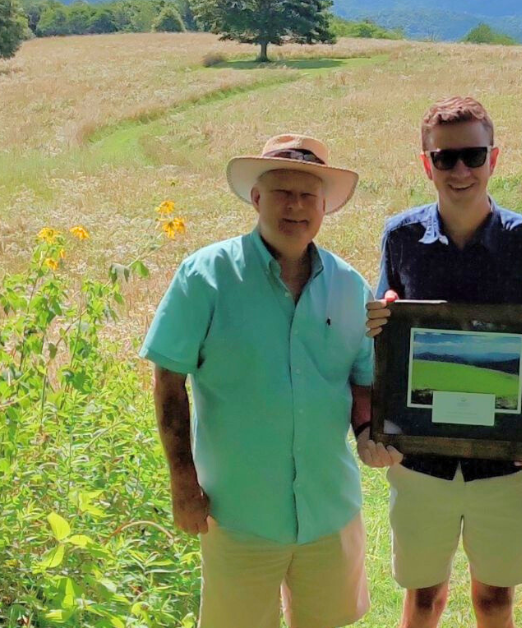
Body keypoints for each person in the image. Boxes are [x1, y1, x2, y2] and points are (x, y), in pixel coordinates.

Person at [140, 134, 376, 628]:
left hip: (329, 508)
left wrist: (375, 435)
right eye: (282, 193)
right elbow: (168, 381)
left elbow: (362, 383)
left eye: (308, 195)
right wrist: (183, 481)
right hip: (238, 511)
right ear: (256, 199)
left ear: (325, 205)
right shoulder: (205, 276)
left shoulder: (350, 286)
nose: (295, 206)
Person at [362, 96, 522, 628]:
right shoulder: (401, 237)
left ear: (494, 160)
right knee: (424, 597)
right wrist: (382, 319)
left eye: (473, 156)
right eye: (445, 158)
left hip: (505, 462)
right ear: (425, 163)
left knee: (496, 599)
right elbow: (385, 325)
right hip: (421, 457)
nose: (460, 170)